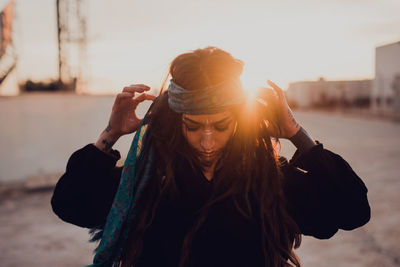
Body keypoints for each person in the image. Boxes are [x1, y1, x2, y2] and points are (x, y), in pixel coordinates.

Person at [51, 47, 370, 267]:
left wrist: (296, 133)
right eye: (192, 127)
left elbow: (352, 210)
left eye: (220, 126)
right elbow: (71, 204)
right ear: (177, 124)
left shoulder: (267, 184)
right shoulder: (147, 182)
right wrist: (110, 134)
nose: (206, 141)